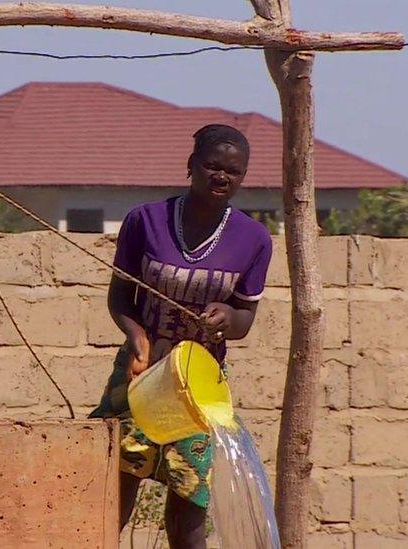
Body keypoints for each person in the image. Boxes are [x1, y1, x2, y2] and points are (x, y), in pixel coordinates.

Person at [89, 124, 273, 548]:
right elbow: (120, 297)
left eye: (234, 171)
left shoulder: (254, 239)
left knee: (190, 498)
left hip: (197, 386)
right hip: (142, 372)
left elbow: (246, 319)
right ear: (190, 166)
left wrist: (229, 316)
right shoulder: (146, 221)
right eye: (211, 166)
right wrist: (137, 338)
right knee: (115, 483)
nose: (221, 177)